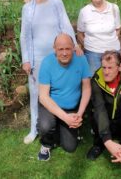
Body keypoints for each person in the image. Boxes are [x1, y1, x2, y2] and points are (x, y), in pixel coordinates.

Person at [20, 0, 83, 145]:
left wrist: (75, 45)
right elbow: (24, 35)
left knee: (60, 88)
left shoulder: (57, 4)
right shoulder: (27, 8)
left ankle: (65, 124)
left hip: (58, 57)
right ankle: (34, 129)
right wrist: (26, 60)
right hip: (37, 59)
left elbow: (65, 26)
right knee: (36, 93)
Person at [37, 33, 91, 161]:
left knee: (70, 147)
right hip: (51, 105)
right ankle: (47, 143)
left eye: (68, 48)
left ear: (73, 47)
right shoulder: (47, 63)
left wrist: (79, 114)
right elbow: (43, 97)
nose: (65, 53)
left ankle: (61, 128)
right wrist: (66, 118)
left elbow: (87, 88)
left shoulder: (81, 60)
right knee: (45, 125)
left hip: (71, 108)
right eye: (61, 49)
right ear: (54, 49)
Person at [87, 51, 121, 163]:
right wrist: (107, 140)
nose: (106, 72)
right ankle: (99, 144)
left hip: (120, 116)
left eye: (110, 68)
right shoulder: (96, 80)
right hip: (104, 116)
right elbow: (100, 109)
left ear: (120, 67)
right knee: (96, 114)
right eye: (104, 67)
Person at [77, 0, 121, 75]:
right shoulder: (84, 11)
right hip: (93, 53)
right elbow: (80, 33)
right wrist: (89, 44)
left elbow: (117, 29)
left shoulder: (114, 8)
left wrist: (110, 43)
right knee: (96, 82)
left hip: (113, 52)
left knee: (114, 81)